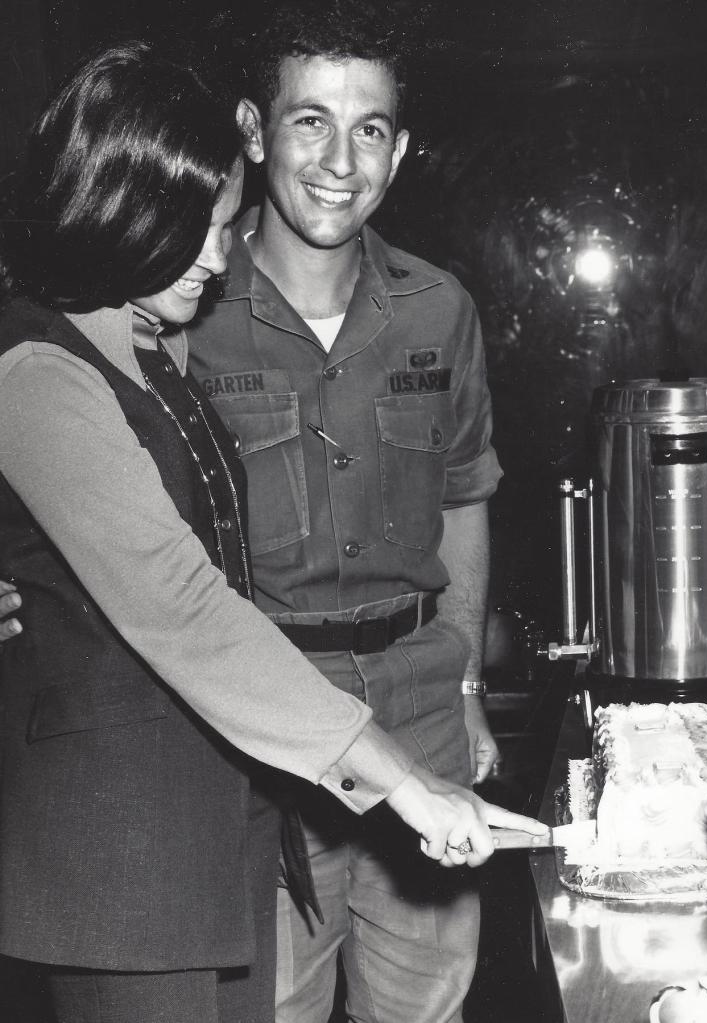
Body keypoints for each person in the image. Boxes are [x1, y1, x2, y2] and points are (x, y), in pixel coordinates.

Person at [0, 40, 545, 1023]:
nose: (216, 259)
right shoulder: (77, 353)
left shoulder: (141, 338)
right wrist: (404, 786)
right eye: (199, 228)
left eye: (369, 129)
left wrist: (450, 712)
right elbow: (182, 603)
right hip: (156, 835)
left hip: (245, 794)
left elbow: (463, 496)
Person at [181, 4, 505, 1020]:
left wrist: (463, 691)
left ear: (400, 149)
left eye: (369, 128)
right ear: (252, 128)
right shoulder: (185, 306)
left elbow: (465, 499)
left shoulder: (439, 309)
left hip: (422, 713)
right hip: (262, 741)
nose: (339, 159)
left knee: (428, 1008)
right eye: (309, 120)